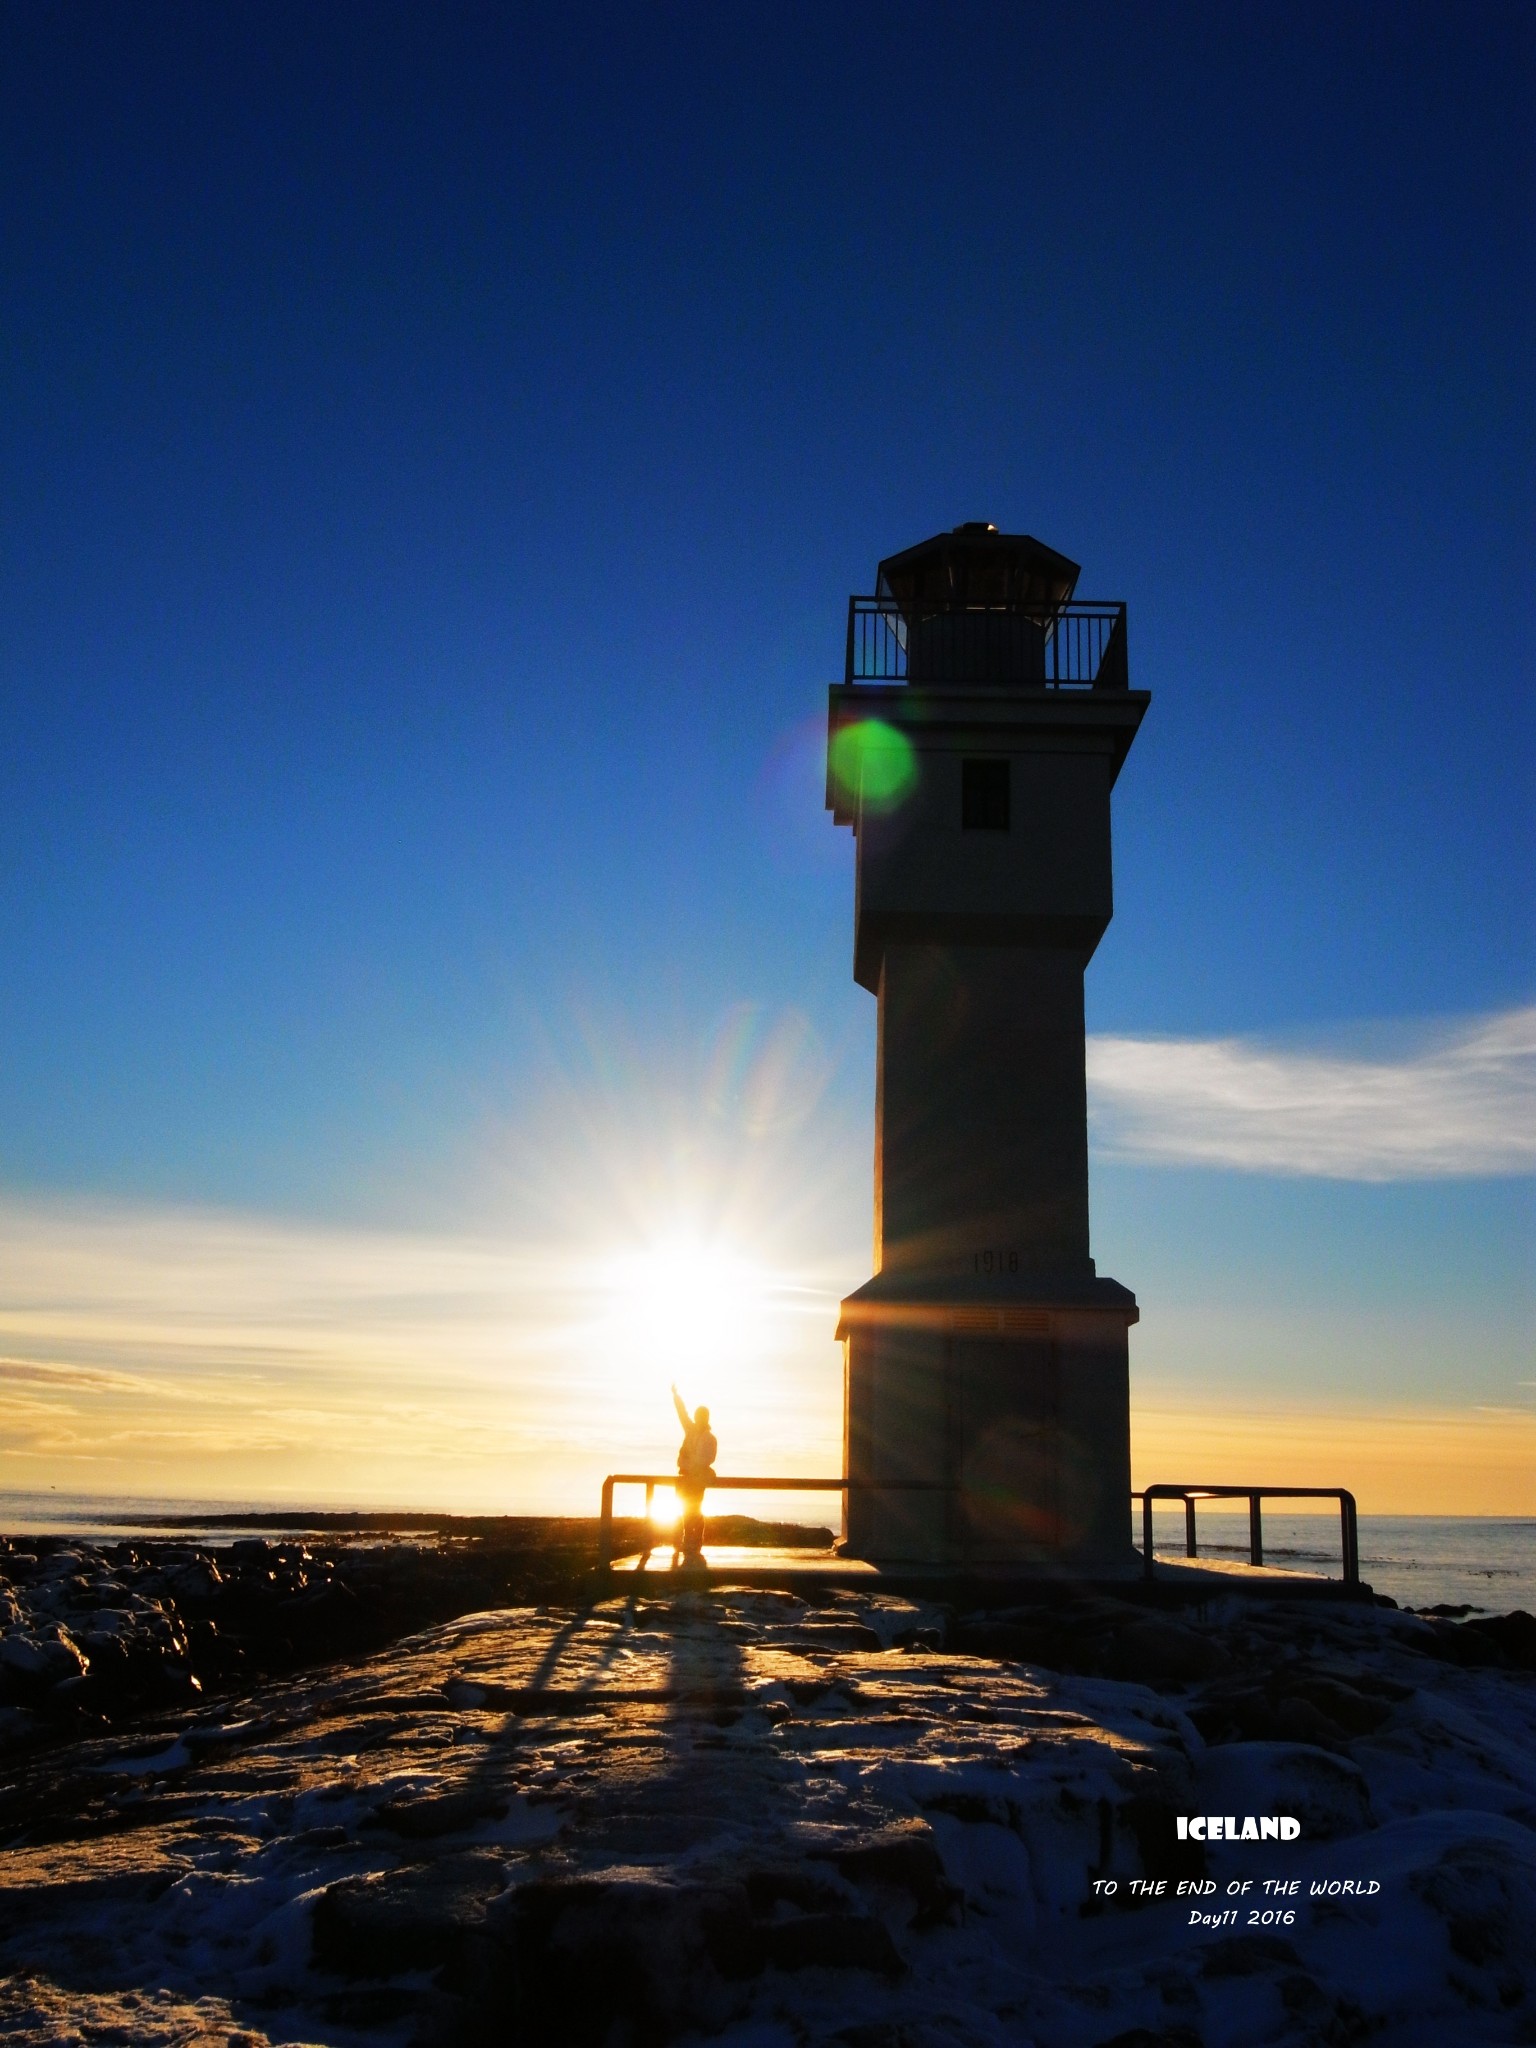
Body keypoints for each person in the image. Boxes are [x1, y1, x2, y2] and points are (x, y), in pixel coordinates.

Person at [671, 1383, 718, 1566]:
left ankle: (694, 1542)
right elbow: (682, 1414)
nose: (698, 1418)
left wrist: (687, 1460)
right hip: (685, 1477)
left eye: (701, 1416)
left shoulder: (709, 1438)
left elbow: (704, 1460)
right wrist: (676, 1396)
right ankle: (687, 1541)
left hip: (696, 1479)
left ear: (705, 1418)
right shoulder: (691, 1430)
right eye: (697, 1415)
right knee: (685, 1510)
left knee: (695, 1510)